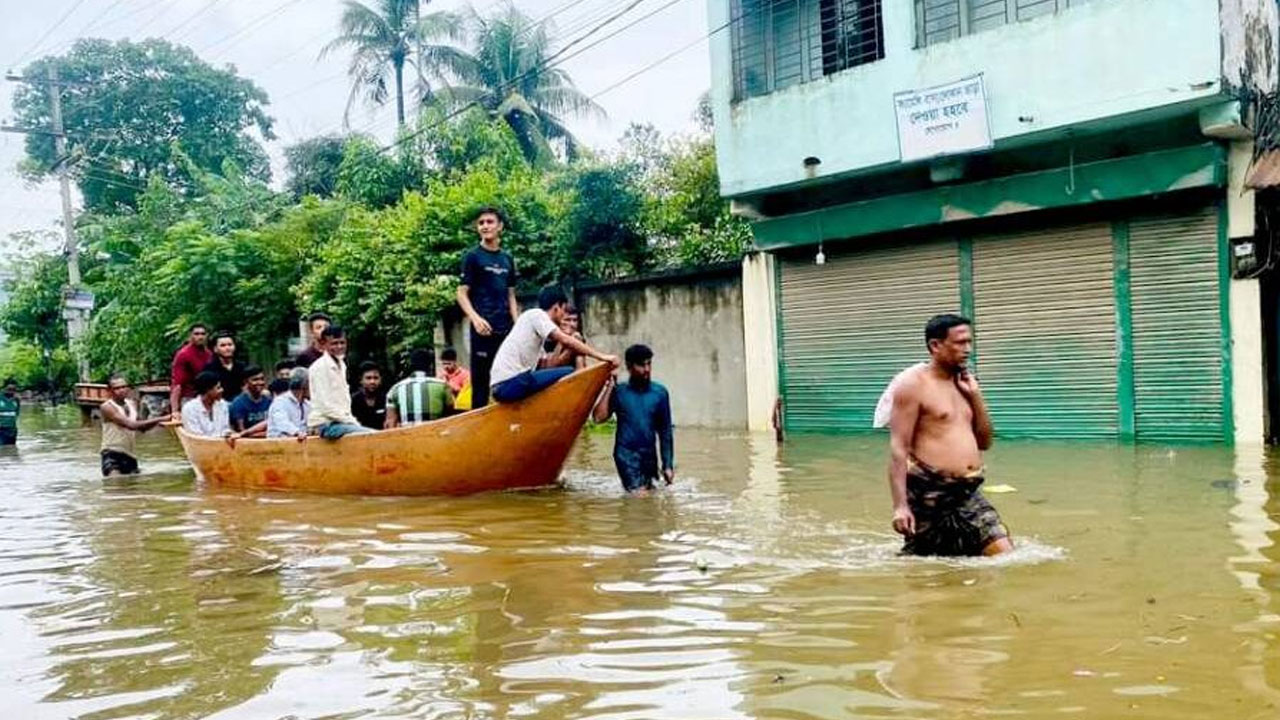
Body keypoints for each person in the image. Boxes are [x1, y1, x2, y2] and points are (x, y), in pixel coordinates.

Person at [888, 314, 1012, 557]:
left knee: (1005, 557)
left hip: (966, 491)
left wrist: (975, 396)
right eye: (960, 343)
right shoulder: (912, 386)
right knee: (927, 566)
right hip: (929, 493)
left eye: (970, 342)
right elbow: (898, 448)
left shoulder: (966, 384)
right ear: (935, 345)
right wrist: (900, 506)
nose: (968, 350)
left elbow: (985, 442)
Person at [490, 286, 618, 404]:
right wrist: (603, 356)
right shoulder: (536, 315)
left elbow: (549, 366)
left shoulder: (535, 335)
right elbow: (566, 340)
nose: (563, 315)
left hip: (508, 385)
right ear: (557, 307)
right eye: (563, 310)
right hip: (509, 384)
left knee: (564, 373)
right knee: (570, 372)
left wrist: (567, 348)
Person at [456, 207, 519, 408]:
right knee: (481, 384)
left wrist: (517, 323)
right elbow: (461, 293)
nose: (485, 226)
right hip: (482, 330)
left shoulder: (507, 259)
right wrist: (475, 318)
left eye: (490, 222)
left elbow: (510, 294)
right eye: (481, 223)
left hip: (506, 329)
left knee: (509, 379)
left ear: (500, 226)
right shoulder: (472, 257)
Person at [592, 344, 675, 496]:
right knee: (639, 496)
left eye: (649, 363)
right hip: (626, 455)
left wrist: (667, 465)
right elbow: (598, 418)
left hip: (649, 456)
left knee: (651, 499)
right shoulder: (620, 392)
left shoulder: (660, 393)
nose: (647, 369)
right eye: (642, 365)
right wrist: (609, 386)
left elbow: (665, 432)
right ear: (630, 367)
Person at [307, 325, 373, 439]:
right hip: (326, 424)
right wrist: (351, 422)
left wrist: (349, 421)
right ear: (324, 344)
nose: (339, 346)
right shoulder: (319, 367)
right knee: (371, 436)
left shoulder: (341, 365)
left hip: (342, 422)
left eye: (342, 343)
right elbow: (325, 406)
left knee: (374, 435)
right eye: (334, 343)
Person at [99, 373, 166, 476]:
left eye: (124, 387)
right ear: (110, 391)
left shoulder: (132, 404)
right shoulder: (107, 407)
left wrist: (160, 422)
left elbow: (142, 428)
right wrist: (161, 418)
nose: (122, 390)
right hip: (111, 454)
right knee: (114, 486)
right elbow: (131, 425)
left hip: (130, 455)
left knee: (132, 488)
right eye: (117, 388)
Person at [385, 349, 452, 428]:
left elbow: (391, 422)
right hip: (435, 436)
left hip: (407, 437)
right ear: (430, 365)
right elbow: (450, 415)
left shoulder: (395, 389)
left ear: (411, 365)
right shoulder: (443, 385)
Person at [181, 371, 239, 445]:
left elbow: (225, 428)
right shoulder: (189, 408)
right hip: (200, 445)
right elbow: (196, 436)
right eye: (218, 388)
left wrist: (229, 434)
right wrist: (222, 436)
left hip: (221, 444)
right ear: (207, 390)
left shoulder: (222, 405)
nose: (222, 390)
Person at [169, 323, 212, 419]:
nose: (200, 337)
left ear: (207, 336)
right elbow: (177, 384)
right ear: (190, 336)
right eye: (196, 334)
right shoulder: (183, 355)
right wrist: (175, 410)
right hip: (188, 397)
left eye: (203, 334)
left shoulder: (209, 354)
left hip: (206, 396)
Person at [229, 365, 272, 437]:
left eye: (262, 379)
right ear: (246, 382)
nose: (260, 382)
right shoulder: (239, 403)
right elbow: (241, 431)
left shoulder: (268, 400)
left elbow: (273, 427)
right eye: (255, 380)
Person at [203, 331, 247, 401]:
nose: (227, 348)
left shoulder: (242, 366)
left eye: (230, 345)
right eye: (223, 345)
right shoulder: (209, 369)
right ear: (215, 349)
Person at [267, 367, 310, 440]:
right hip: (278, 446)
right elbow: (282, 423)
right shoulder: (280, 402)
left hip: (300, 445)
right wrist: (297, 432)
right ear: (304, 385)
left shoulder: (307, 404)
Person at [540, 306, 587, 370]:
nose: (572, 324)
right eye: (567, 320)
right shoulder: (548, 340)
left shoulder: (577, 337)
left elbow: (581, 367)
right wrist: (565, 341)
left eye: (575, 320)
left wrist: (576, 344)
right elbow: (551, 367)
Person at [351, 361, 387, 430]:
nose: (372, 382)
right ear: (361, 380)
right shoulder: (353, 400)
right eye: (368, 378)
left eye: (376, 378)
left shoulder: (386, 399)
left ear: (380, 380)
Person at [0, 379, 19, 446]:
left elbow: (17, 413)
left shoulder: (16, 399)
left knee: (11, 449)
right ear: (4, 388)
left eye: (13, 389)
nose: (11, 391)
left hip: (12, 430)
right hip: (1, 430)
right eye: (9, 389)